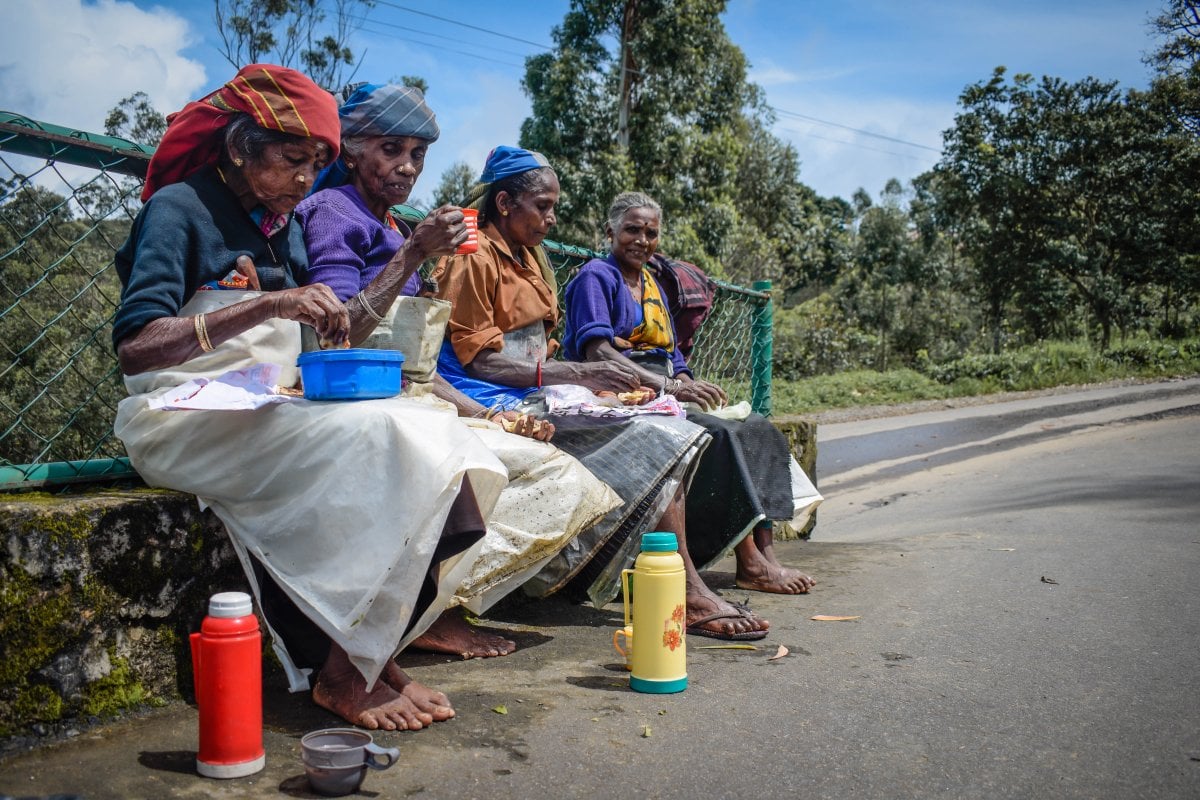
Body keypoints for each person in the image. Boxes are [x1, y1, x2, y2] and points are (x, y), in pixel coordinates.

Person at [111, 64, 509, 731]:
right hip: (182, 414)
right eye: (294, 159)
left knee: (429, 436)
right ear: (241, 147)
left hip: (265, 401)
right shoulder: (178, 210)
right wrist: (266, 303)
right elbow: (137, 348)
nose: (305, 179)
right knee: (386, 440)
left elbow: (328, 329)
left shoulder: (285, 226)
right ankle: (350, 670)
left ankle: (367, 654)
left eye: (317, 163)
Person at [295, 83, 620, 657]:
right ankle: (419, 609)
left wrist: (489, 414)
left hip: (419, 398)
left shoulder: (394, 227)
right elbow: (337, 335)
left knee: (569, 481)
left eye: (417, 154)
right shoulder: (333, 213)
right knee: (509, 476)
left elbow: (418, 366)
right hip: (360, 404)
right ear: (349, 151)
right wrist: (414, 254)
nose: (407, 167)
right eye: (391, 149)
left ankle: (434, 601)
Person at [430, 146, 771, 640]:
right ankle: (687, 591)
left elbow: (544, 350)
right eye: (542, 206)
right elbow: (481, 361)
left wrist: (578, 381)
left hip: (537, 387)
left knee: (668, 427)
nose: (550, 218)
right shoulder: (474, 255)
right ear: (504, 203)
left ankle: (673, 578)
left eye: (553, 207)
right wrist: (574, 376)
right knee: (657, 435)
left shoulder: (532, 257)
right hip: (492, 398)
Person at [563, 191, 823, 600]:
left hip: (663, 387)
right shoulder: (596, 277)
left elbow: (672, 355)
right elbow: (598, 352)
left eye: (651, 233)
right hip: (618, 391)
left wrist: (685, 380)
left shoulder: (651, 284)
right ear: (610, 230)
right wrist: (670, 386)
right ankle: (749, 561)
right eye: (632, 229)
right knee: (718, 436)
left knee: (755, 428)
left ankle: (765, 556)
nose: (642, 240)